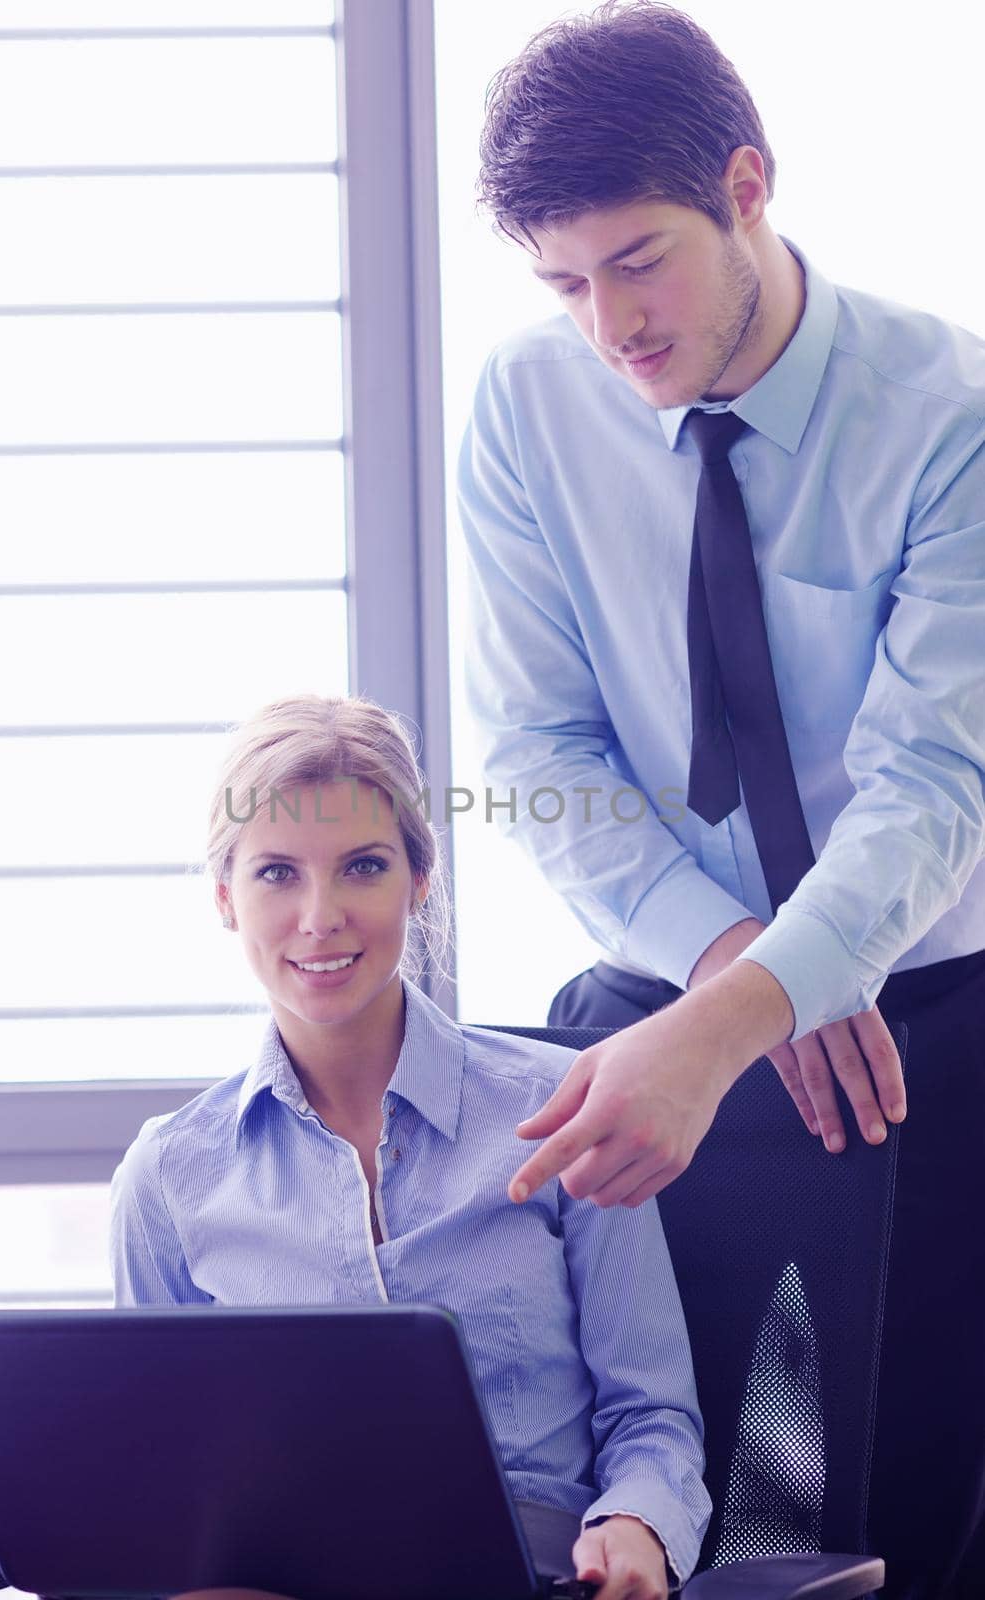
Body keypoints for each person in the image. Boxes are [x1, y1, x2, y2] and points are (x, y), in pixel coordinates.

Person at [457, 4, 985, 1596]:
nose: (607, 325)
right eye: (562, 282)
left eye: (639, 261)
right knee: (699, 1485)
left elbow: (933, 782)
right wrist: (733, 989)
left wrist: (771, 1001)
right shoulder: (526, 407)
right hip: (657, 977)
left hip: (937, 1002)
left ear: (747, 187)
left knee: (910, 1496)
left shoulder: (944, 409)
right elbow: (537, 753)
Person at [108, 693, 710, 1600]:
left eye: (362, 866)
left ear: (418, 881)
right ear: (227, 900)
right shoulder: (169, 1177)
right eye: (276, 873)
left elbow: (652, 1414)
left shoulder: (567, 1108)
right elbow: (162, 1469)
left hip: (533, 1580)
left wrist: (634, 1525)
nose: (320, 916)